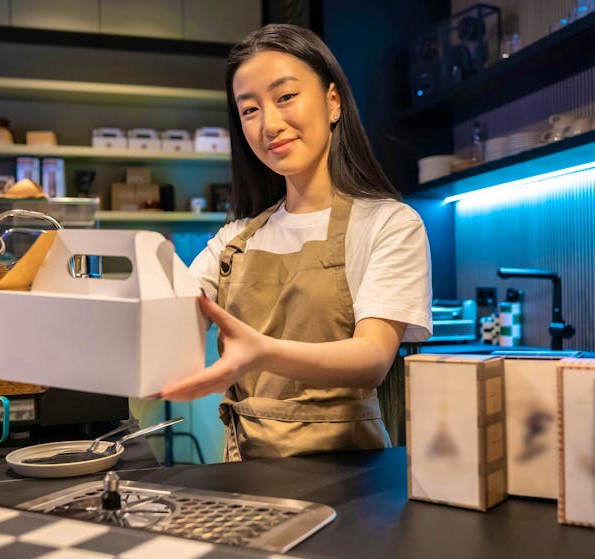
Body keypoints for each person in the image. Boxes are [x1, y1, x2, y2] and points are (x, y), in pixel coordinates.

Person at [159, 23, 433, 461]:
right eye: (249, 110)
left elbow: (373, 357)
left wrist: (260, 353)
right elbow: (172, 321)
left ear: (332, 101)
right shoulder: (234, 240)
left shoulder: (388, 224)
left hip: (353, 476)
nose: (269, 124)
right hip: (243, 475)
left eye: (285, 97)